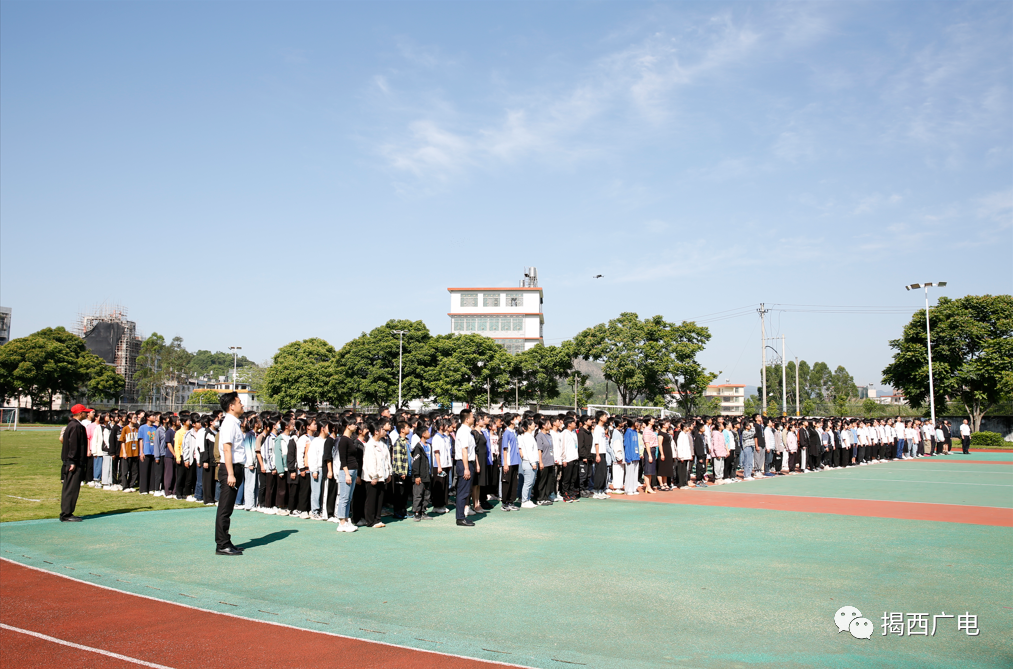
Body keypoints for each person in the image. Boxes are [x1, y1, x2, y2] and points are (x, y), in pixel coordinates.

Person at [214, 392, 246, 556]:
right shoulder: (228, 423)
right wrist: (231, 474)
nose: (242, 405)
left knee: (228, 508)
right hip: (230, 469)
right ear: (231, 406)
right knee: (225, 509)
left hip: (235, 467)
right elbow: (227, 449)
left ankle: (226, 540)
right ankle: (222, 544)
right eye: (239, 402)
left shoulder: (234, 422)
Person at [60, 404, 91, 522]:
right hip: (74, 462)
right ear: (80, 413)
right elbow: (73, 445)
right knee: (71, 488)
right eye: (84, 412)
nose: (86, 414)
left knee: (72, 487)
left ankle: (67, 512)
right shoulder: (75, 426)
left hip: (74, 461)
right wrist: (72, 461)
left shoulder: (74, 425)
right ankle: (66, 513)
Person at [361, 420, 392, 528]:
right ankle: (370, 521)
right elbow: (370, 462)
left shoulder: (382, 444)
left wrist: (389, 473)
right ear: (376, 432)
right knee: (371, 499)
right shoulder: (370, 445)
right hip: (373, 477)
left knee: (379, 499)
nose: (384, 431)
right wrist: (373, 476)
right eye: (382, 429)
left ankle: (377, 519)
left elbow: (387, 460)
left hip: (382, 476)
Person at [455, 409, 477, 525]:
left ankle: (461, 516)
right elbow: (464, 450)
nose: (474, 419)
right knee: (463, 492)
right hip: (465, 463)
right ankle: (460, 518)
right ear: (467, 419)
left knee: (465, 491)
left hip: (467, 463)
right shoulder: (463, 431)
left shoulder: (467, 431)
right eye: (472, 417)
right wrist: (466, 468)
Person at [411, 424, 433, 521]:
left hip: (427, 474)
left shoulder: (428, 445)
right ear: (423, 434)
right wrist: (417, 475)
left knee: (426, 494)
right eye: (427, 432)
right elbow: (416, 463)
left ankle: (423, 511)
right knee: (418, 494)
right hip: (420, 475)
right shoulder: (418, 447)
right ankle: (416, 512)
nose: (429, 433)